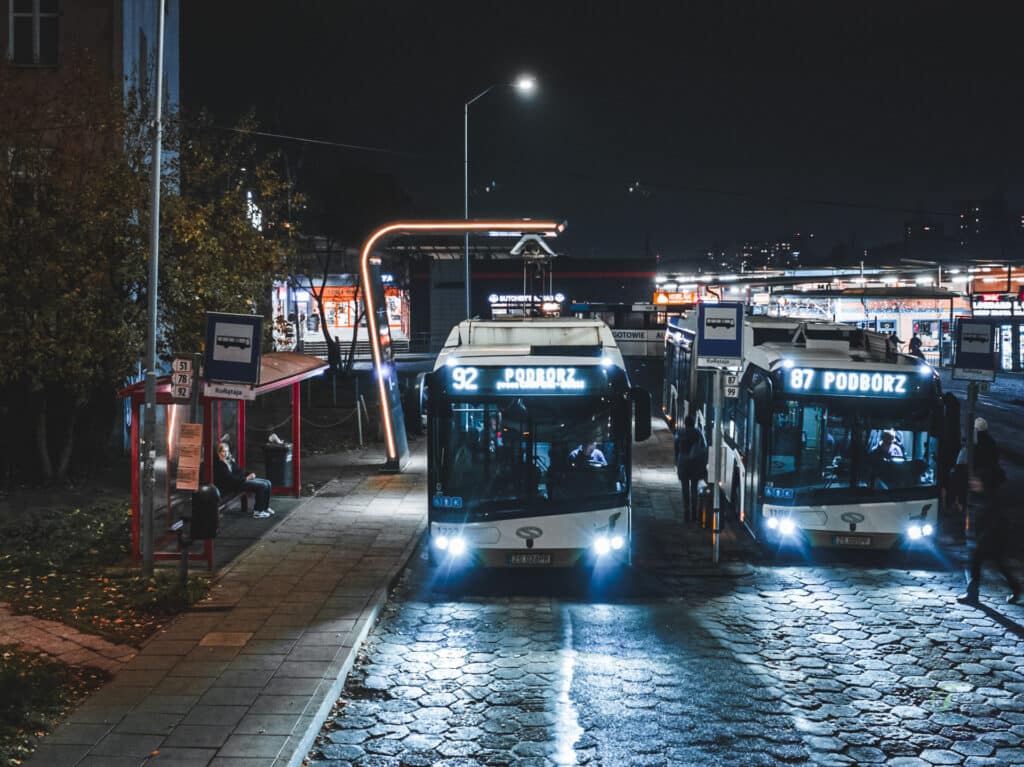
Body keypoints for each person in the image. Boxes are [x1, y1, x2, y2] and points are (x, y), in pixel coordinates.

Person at [958, 418, 1019, 605]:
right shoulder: (990, 488)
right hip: (991, 532)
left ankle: (973, 594)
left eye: (975, 482)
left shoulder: (989, 497)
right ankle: (1016, 589)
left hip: (990, 533)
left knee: (976, 560)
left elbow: (989, 518)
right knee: (998, 562)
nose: (972, 483)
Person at [213, 441, 275, 519]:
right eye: (223, 451)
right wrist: (246, 478)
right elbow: (230, 479)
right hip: (232, 485)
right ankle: (258, 511)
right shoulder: (219, 464)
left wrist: (248, 474)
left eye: (227, 451)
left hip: (239, 481)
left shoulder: (228, 460)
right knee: (262, 486)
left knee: (268, 482)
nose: (225, 453)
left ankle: (265, 508)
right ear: (218, 452)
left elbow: (239, 471)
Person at [674, 415, 707, 522]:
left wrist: (677, 461)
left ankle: (686, 511)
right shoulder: (698, 433)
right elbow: (704, 447)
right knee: (694, 488)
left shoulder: (680, 432)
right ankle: (694, 512)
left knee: (685, 488)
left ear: (685, 423)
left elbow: (676, 447)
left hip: (683, 461)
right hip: (695, 463)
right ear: (693, 423)